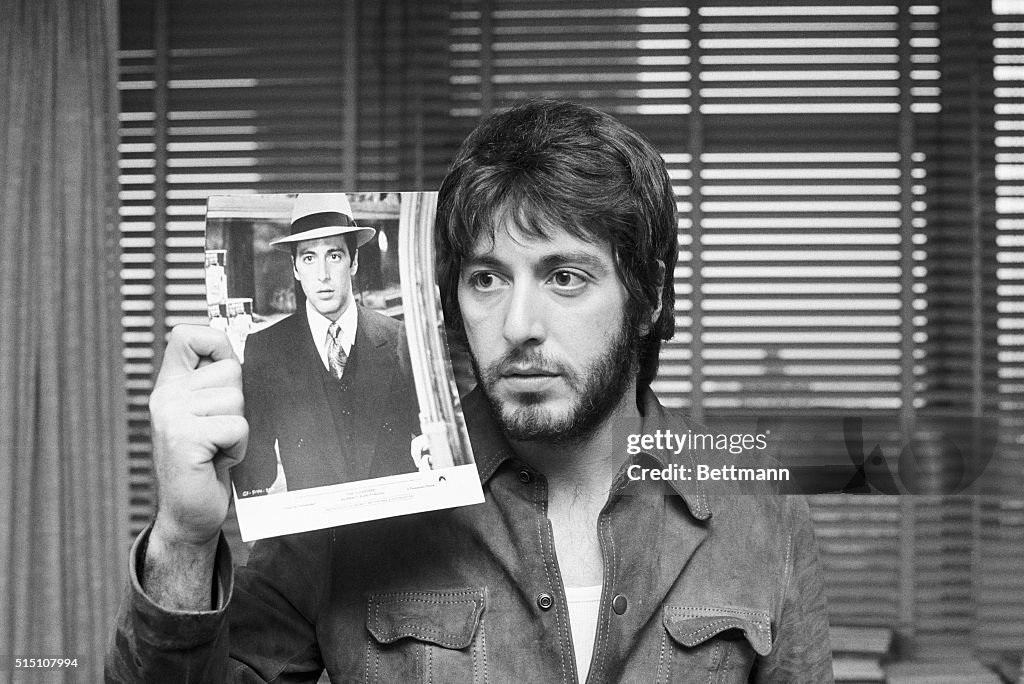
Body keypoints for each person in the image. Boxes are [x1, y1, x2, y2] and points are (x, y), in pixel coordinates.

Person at [107, 100, 832, 682]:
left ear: (648, 298)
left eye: (566, 277)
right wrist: (183, 538)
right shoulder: (351, 497)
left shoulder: (759, 515)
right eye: (487, 278)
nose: (519, 325)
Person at [234, 193, 419, 497]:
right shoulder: (265, 349)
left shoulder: (400, 338)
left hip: (399, 535)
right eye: (309, 258)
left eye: (334, 255)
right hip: (312, 541)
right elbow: (254, 474)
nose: (322, 275)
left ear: (354, 261)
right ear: (295, 268)